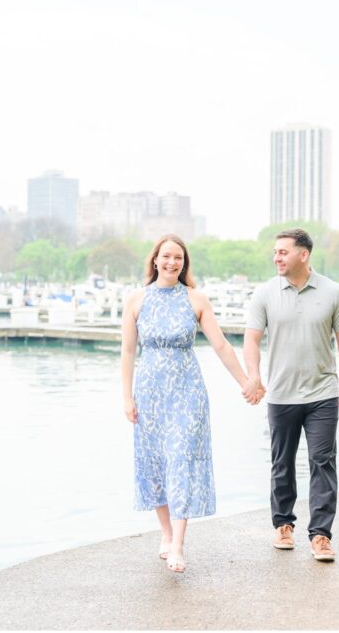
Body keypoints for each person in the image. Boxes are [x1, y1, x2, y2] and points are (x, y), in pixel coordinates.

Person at [121, 234, 263, 573]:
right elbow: (127, 351)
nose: (172, 263)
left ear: (184, 264)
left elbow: (222, 347)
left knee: (182, 459)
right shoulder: (136, 300)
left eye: (179, 259)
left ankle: (179, 545)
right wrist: (126, 396)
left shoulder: (195, 299)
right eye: (167, 257)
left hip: (187, 393)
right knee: (156, 463)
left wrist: (247, 383)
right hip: (150, 393)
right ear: (155, 260)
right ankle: (166, 534)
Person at [242, 228, 339, 562]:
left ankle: (321, 535)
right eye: (275, 252)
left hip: (322, 393)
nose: (276, 257)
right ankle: (283, 525)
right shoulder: (265, 293)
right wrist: (254, 375)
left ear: (303, 254)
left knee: (323, 462)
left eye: (283, 252)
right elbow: (251, 339)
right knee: (282, 464)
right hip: (280, 394)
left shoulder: (333, 292)